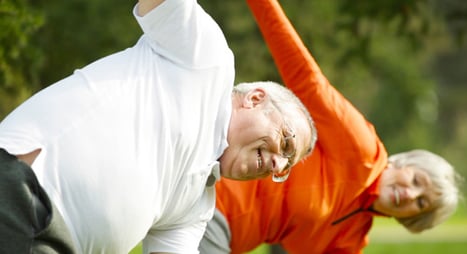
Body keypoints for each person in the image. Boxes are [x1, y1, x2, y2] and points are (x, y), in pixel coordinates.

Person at [0, 0, 317, 253]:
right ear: (255, 98)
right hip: (24, 194)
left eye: (285, 167)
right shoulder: (207, 59)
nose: (277, 163)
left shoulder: (197, 207)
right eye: (286, 144)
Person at [198, 0, 462, 253]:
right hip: (214, 203)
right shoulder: (361, 149)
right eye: (416, 180)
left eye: (421, 203)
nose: (409, 195)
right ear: (402, 163)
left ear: (413, 219)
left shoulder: (352, 237)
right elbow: (305, 78)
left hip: (228, 241)